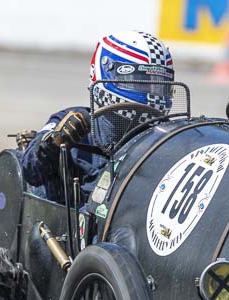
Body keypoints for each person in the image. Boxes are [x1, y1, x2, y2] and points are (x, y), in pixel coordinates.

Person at [20, 31, 174, 202]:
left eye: (157, 86)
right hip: (76, 221)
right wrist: (53, 143)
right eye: (138, 81)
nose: (150, 95)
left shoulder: (162, 136)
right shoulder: (74, 122)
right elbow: (30, 171)